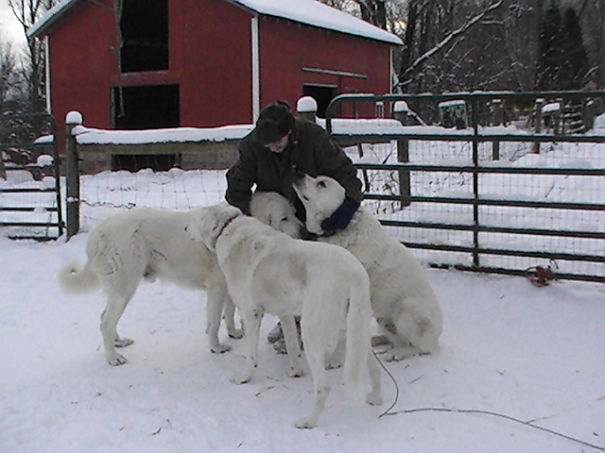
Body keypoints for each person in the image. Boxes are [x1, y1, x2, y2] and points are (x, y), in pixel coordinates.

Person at [225, 99, 363, 350]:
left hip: (311, 213)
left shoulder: (313, 138)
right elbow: (237, 191)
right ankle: (290, 320)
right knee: (283, 274)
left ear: (290, 132)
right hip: (278, 218)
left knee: (313, 273)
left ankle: (314, 324)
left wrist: (349, 204)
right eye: (267, 144)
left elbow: (345, 172)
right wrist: (253, 221)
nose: (273, 147)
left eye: (277, 142)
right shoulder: (252, 147)